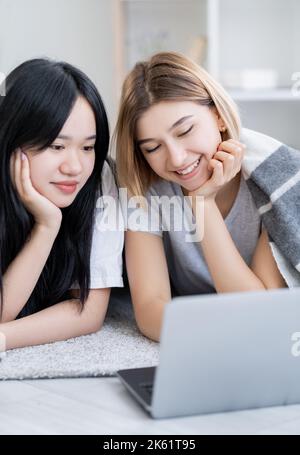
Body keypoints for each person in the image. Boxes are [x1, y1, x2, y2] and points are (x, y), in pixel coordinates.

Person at [115, 51, 288, 343]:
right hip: (208, 334)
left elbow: (260, 312)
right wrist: (212, 337)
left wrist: (202, 203)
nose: (177, 158)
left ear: (218, 116)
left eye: (185, 131)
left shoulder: (270, 178)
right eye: (153, 148)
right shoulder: (145, 188)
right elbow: (149, 307)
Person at [0, 59, 123, 350]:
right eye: (56, 146)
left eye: (88, 147)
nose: (75, 167)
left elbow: (88, 311)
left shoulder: (100, 179)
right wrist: (45, 227)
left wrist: (3, 338)